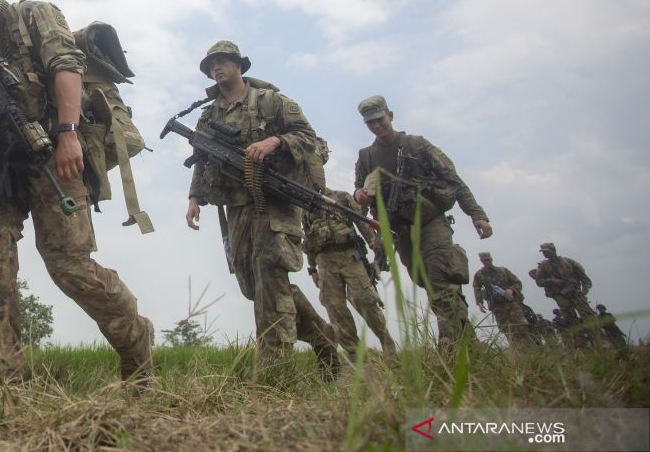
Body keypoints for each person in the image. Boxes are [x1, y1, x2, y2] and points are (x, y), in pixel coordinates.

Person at [0, 0, 153, 385]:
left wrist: (69, 133)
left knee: (70, 268)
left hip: (54, 148)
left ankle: (135, 339)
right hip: (1, 165)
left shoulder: (33, 15)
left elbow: (65, 67)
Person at [184, 41, 340, 372]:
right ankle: (323, 338)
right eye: (212, 63)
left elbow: (307, 136)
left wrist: (275, 141)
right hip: (236, 205)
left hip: (273, 201)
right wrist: (194, 197)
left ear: (239, 65)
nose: (217, 67)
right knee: (252, 285)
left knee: (270, 277)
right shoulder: (209, 114)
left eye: (223, 61)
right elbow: (203, 156)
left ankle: (273, 371)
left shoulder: (270, 100)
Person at [352, 95, 492, 347]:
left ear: (390, 116)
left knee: (439, 279)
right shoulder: (366, 156)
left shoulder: (417, 145)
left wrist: (477, 215)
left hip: (430, 223)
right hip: (400, 231)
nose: (376, 126)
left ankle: (449, 347)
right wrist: (359, 196)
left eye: (379, 120)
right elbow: (359, 192)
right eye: (370, 123)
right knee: (425, 280)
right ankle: (467, 342)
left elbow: (453, 179)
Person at [303, 176, 397, 355]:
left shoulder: (341, 198)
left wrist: (374, 245)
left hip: (349, 256)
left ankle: (388, 345)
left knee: (365, 300)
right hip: (324, 261)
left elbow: (361, 221)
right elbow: (308, 239)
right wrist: (312, 269)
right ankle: (355, 354)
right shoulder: (305, 206)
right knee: (335, 308)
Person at [531, 242, 596, 345]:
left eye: (546, 251)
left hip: (577, 295)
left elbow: (585, 280)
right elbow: (539, 282)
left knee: (590, 319)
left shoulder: (568, 262)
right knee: (571, 323)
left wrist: (583, 292)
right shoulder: (544, 266)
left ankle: (601, 343)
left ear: (553, 250)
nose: (545, 254)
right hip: (562, 298)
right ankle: (581, 347)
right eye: (543, 252)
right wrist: (552, 281)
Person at [471, 252, 531, 348]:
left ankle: (529, 348)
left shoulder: (503, 271)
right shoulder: (479, 275)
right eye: (484, 260)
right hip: (497, 306)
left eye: (488, 260)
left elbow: (517, 283)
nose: (487, 262)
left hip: (511, 304)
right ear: (481, 261)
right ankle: (516, 350)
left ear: (491, 259)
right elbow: (476, 288)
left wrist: (511, 290)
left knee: (521, 326)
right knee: (506, 329)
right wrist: (480, 303)